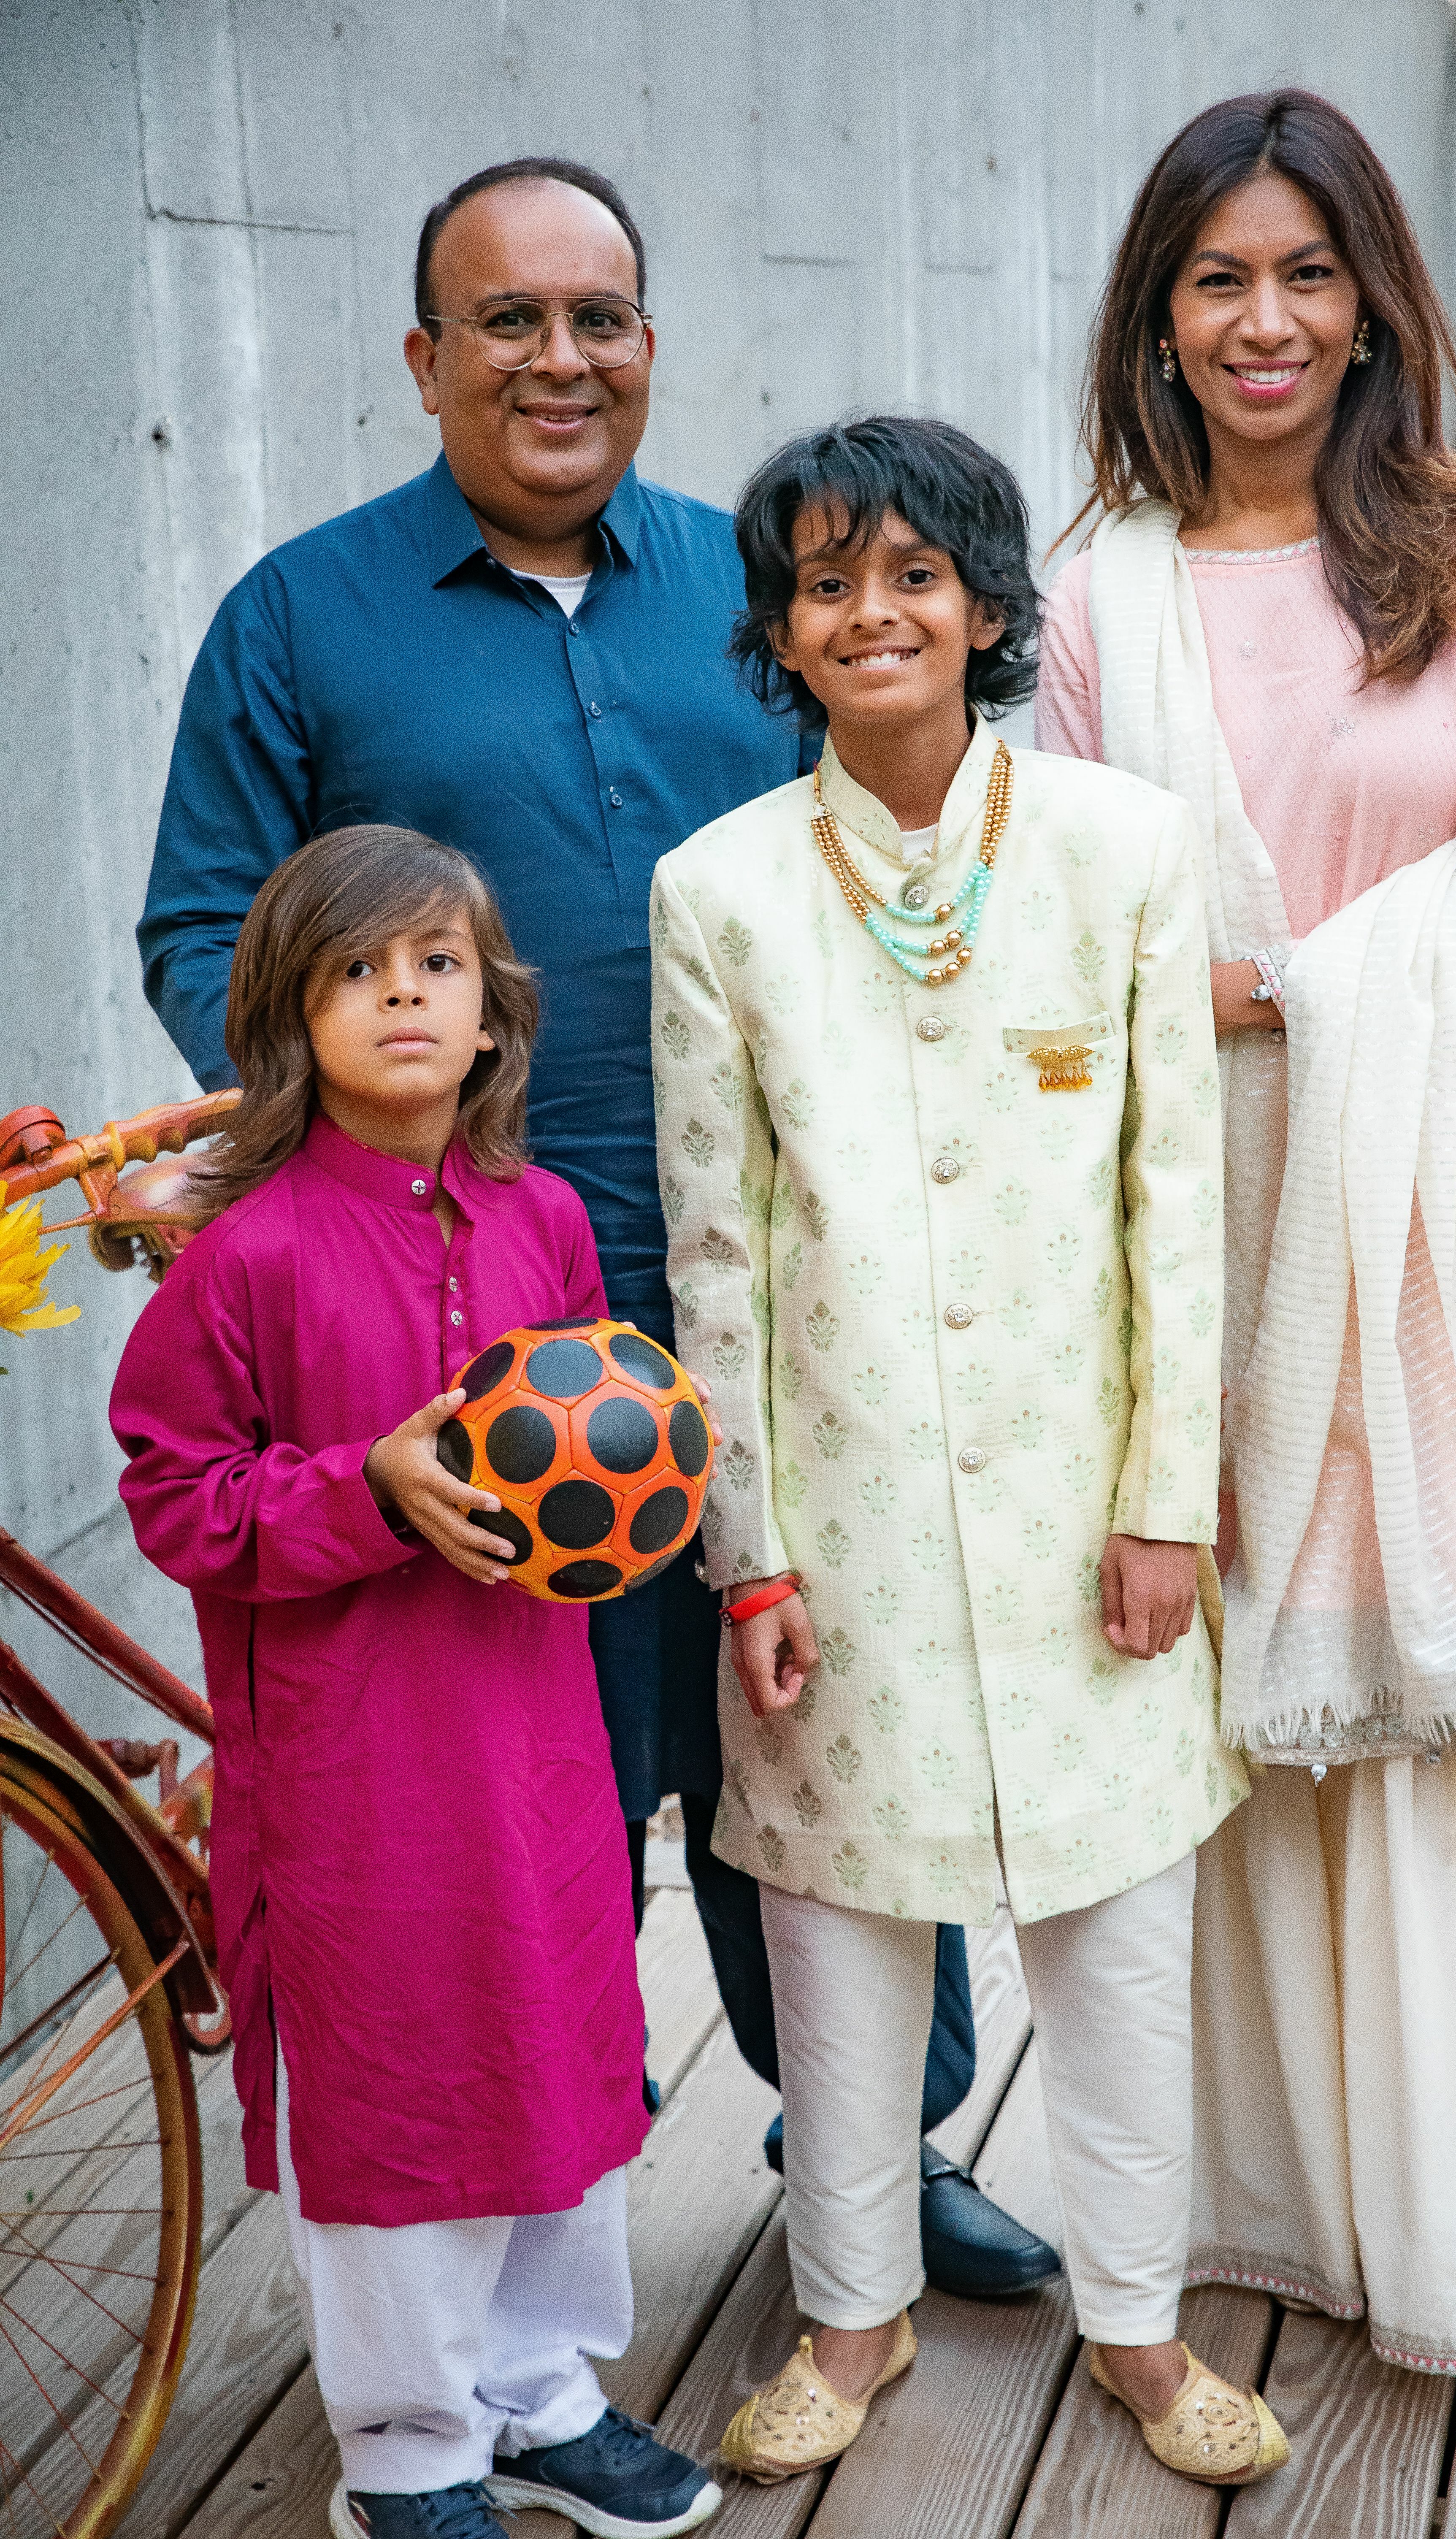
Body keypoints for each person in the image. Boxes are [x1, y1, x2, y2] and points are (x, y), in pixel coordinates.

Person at [135, 155, 1049, 2296]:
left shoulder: (756, 590)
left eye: (600, 317)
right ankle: (529, 2199)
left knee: (809, 1727)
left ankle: (885, 2158)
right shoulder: (299, 616)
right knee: (531, 1777)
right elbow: (205, 923)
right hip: (457, 1332)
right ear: (425, 357)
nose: (561, 358)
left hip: (771, 1298)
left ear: (650, 341)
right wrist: (372, 1113)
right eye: (510, 320)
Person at [1036, 87, 1456, 2391]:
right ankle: (1280, 2195)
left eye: (1307, 270)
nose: (1267, 317)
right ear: (1158, 311)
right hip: (1201, 1188)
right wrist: (1227, 1004)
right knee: (1244, 1688)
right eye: (1219, 276)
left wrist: (1281, 986)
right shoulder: (1097, 582)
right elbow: (1070, 906)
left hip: (1430, 1190)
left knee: (1441, 1686)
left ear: (1374, 295)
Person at [650, 414, 1288, 2490]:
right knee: (837, 1935)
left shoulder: (1118, 841)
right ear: (778, 634)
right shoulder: (717, 888)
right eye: (824, 581)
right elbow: (716, 1246)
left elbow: (1167, 1203)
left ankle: (1135, 2322)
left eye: (912, 572)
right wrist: (746, 1549)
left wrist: (1159, 1502)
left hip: (1080, 1507)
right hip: (832, 1522)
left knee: (1116, 1933)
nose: (871, 610)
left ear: (990, 608)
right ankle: (852, 2313)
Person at [111, 827, 721, 2537]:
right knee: (396, 2080)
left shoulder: (543, 1225)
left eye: (435, 964)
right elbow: (172, 1491)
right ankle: (407, 2445)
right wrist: (362, 1489)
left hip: (534, 1739)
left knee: (557, 2043)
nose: (400, 994)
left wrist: (662, 1475)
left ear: (491, 1010)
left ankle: (539, 2395)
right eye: (356, 970)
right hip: (352, 1765)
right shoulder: (249, 1256)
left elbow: (605, 1462)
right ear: (288, 1020)